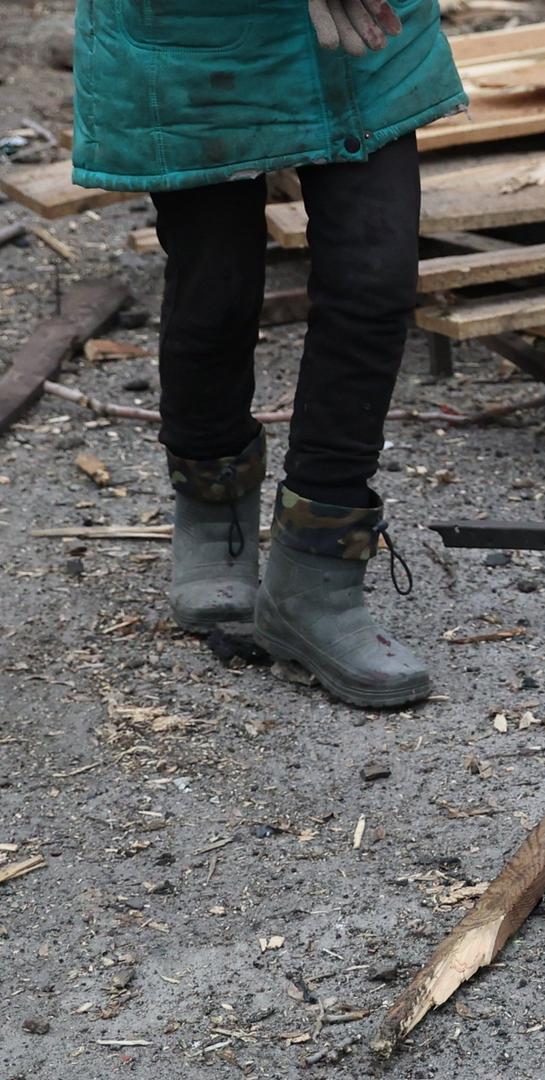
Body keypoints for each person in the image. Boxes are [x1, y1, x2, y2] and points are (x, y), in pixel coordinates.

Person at [69, 0, 467, 707]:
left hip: (360, 29)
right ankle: (213, 501)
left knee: (375, 281)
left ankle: (316, 581)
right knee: (216, 288)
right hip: (190, 35)